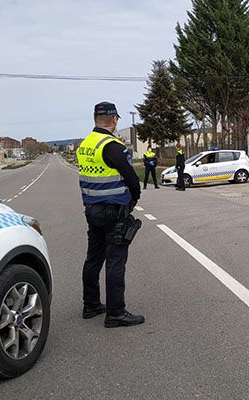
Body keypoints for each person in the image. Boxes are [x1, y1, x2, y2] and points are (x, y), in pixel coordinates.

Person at [77, 101, 144, 328]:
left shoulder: (85, 144)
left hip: (92, 209)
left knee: (93, 258)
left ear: (95, 119)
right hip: (113, 211)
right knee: (116, 260)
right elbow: (131, 178)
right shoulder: (112, 146)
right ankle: (116, 312)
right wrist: (135, 197)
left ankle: (91, 304)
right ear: (114, 119)